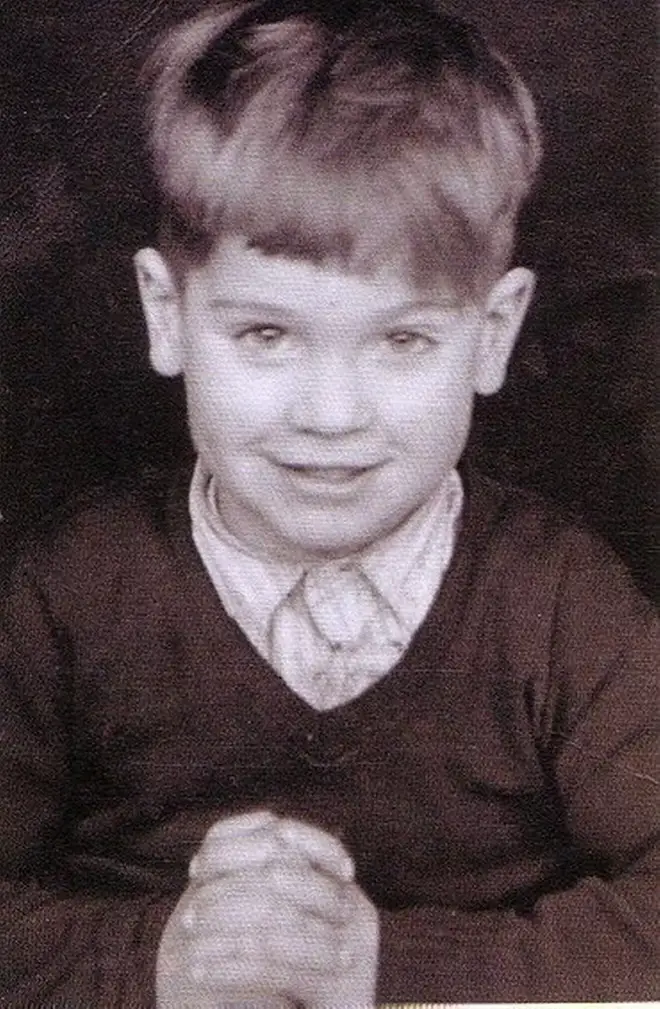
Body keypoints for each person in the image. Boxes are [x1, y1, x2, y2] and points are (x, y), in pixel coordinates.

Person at [0, 1, 657, 1006]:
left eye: (402, 341)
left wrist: (386, 969)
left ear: (491, 333)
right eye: (267, 335)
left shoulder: (562, 601)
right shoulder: (70, 591)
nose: (333, 414)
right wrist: (156, 960)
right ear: (168, 315)